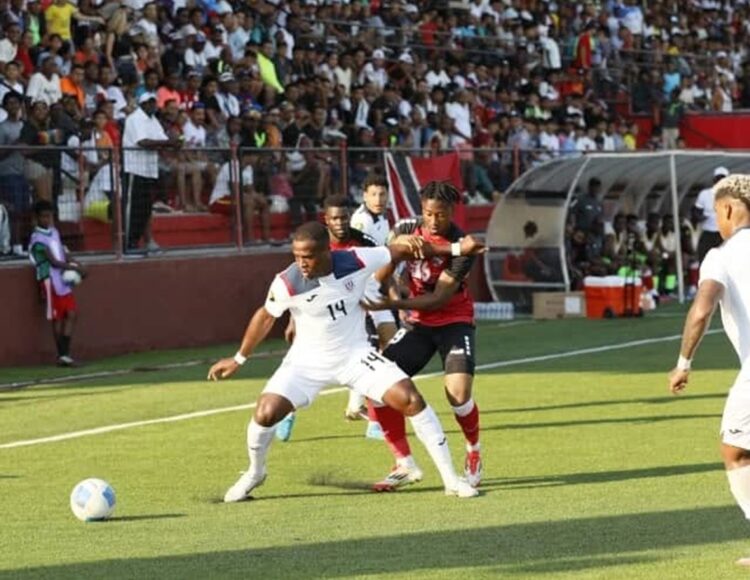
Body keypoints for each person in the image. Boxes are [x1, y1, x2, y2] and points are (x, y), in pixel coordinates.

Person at [207, 221, 485, 502]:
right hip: (306, 362)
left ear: (327, 251)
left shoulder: (355, 259)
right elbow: (265, 316)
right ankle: (255, 472)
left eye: (308, 256)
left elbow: (402, 250)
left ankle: (451, 479)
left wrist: (455, 247)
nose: (301, 263)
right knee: (265, 412)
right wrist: (239, 358)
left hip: (355, 356)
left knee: (410, 398)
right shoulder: (287, 282)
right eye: (297, 256)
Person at [363, 181, 483, 491]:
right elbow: (386, 266)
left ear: (451, 212)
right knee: (376, 385)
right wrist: (388, 282)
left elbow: (439, 298)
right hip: (418, 324)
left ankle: (473, 450)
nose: (432, 220)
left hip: (454, 319)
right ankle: (404, 463)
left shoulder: (462, 244)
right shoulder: (406, 227)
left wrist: (395, 303)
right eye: (428, 213)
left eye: (439, 214)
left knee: (458, 394)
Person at [668, 174, 750, 567]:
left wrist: (683, 363)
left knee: (735, 450)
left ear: (729, 209)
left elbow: (701, 310)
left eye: (717, 212)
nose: (717, 221)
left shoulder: (721, 256)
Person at [275, 195, 395, 442]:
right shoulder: (314, 244)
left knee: (387, 343)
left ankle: (373, 416)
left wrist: (393, 295)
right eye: (335, 218)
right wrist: (293, 320)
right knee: (306, 359)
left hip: (363, 294)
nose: (340, 223)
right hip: (324, 304)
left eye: (344, 217)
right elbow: (298, 285)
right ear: (326, 220)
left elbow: (385, 261)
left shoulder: (362, 240)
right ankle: (288, 412)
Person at [29, 200, 86, 366]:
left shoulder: (54, 232)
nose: (47, 220)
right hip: (49, 280)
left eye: (49, 216)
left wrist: (78, 264)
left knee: (72, 314)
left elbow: (62, 252)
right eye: (44, 217)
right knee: (58, 318)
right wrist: (74, 269)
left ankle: (64, 354)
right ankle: (63, 355)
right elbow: (53, 261)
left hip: (62, 279)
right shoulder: (37, 238)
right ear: (36, 218)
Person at [122, 92, 180, 252]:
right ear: (142, 104)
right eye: (149, 103)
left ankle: (139, 242)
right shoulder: (134, 119)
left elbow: (161, 139)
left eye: (154, 103)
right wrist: (168, 142)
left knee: (145, 208)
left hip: (149, 169)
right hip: (134, 168)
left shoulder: (153, 121)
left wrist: (174, 143)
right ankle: (128, 244)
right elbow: (142, 142)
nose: (153, 105)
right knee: (134, 208)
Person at [694, 166, 730, 262]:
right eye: (718, 178)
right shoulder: (704, 194)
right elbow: (696, 212)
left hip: (724, 234)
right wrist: (701, 217)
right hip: (708, 233)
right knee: (705, 260)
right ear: (714, 179)